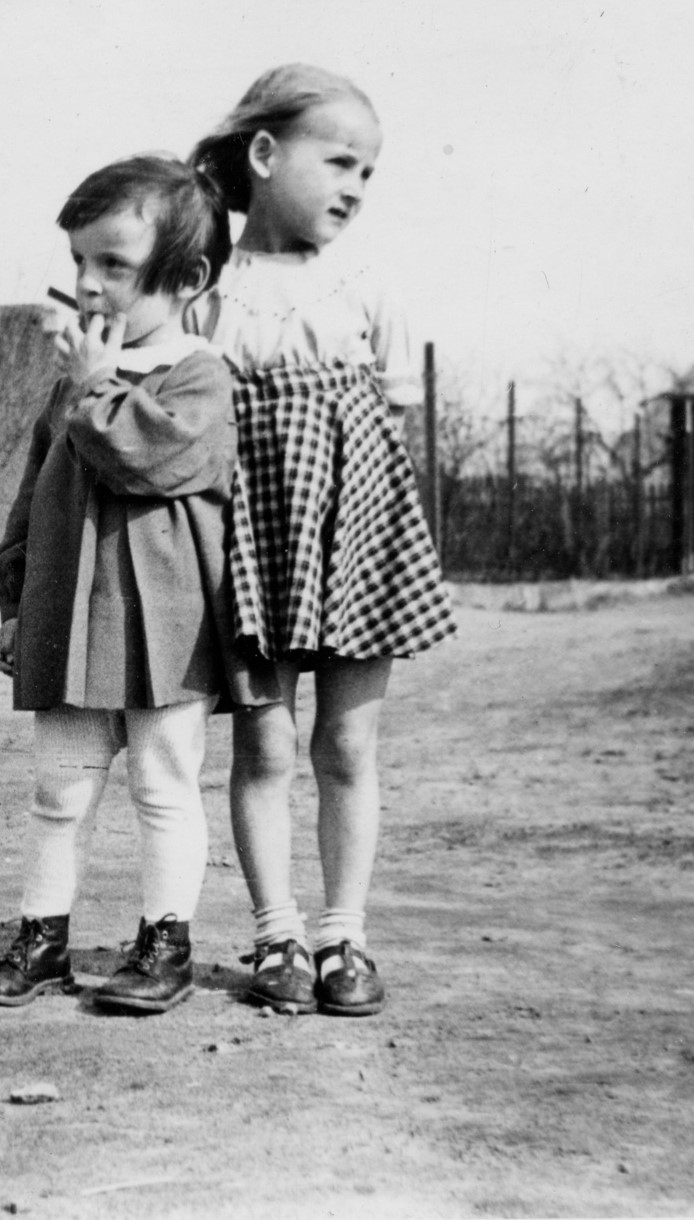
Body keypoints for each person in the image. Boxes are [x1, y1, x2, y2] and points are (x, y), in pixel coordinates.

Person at [189, 64, 455, 1017]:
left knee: (346, 742)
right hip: (249, 541)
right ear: (264, 154)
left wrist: (372, 540)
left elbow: (393, 433)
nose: (354, 187)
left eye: (368, 172)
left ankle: (345, 935)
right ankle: (277, 936)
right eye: (338, 162)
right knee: (263, 747)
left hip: (355, 537)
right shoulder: (204, 292)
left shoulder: (367, 287)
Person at [0, 155, 243, 1014]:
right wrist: (15, 602)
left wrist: (93, 388)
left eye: (113, 265)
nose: (86, 284)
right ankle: (41, 940)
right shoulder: (72, 386)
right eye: (79, 260)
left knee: (162, 784)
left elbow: (149, 459)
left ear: (187, 279)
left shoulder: (200, 376)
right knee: (60, 788)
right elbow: (31, 496)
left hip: (167, 630)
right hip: (71, 621)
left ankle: (164, 945)